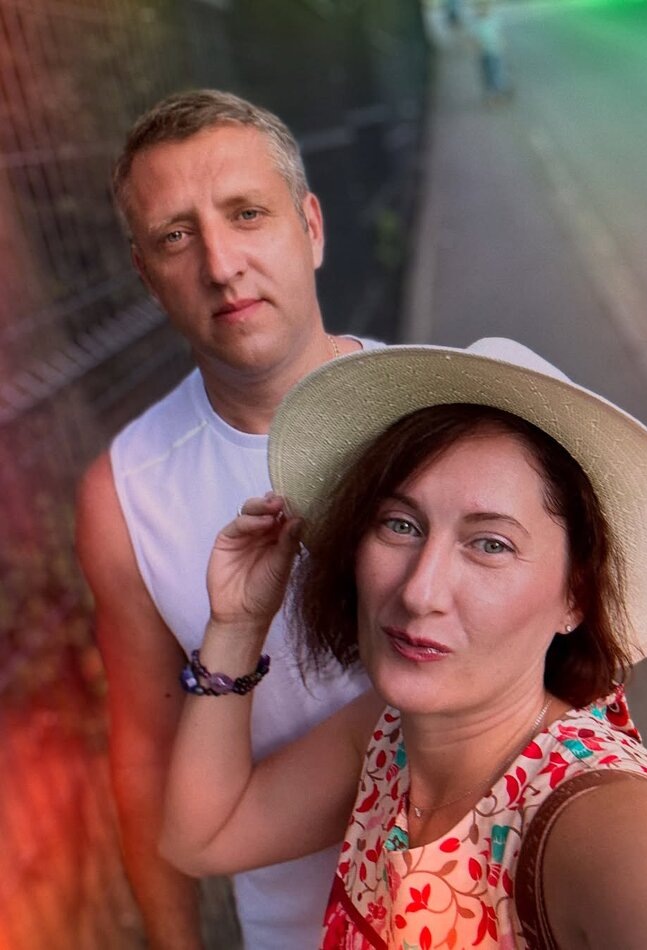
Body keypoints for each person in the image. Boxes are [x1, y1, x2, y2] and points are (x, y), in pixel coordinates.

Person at [160, 337, 647, 948]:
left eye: (490, 544)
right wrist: (237, 626)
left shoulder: (607, 828)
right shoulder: (391, 736)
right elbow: (203, 838)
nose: (420, 591)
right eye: (401, 525)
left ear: (575, 597)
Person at [75, 89, 384, 949]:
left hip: (493, 904)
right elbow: (144, 755)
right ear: (146, 275)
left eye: (247, 214)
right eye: (176, 236)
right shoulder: (125, 495)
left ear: (310, 228)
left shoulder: (446, 410)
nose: (220, 264)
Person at [469, 0, 510, 102]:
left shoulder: (493, 20)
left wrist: (502, 43)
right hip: (485, 53)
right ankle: (492, 93)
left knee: (497, 71)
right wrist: (475, 47)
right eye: (479, 8)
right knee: (488, 73)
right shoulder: (477, 23)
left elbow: (499, 33)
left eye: (484, 8)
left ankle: (499, 90)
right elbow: (474, 38)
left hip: (495, 51)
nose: (482, 10)